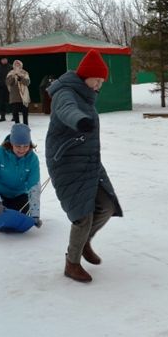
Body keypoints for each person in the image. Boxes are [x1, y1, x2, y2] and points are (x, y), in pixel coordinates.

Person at [46, 49, 122, 283]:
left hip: (88, 159)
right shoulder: (65, 92)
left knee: (107, 205)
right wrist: (80, 121)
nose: (99, 85)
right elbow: (66, 110)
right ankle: (72, 262)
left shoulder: (86, 94)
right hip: (66, 160)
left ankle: (84, 241)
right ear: (85, 76)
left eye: (102, 81)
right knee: (82, 214)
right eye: (96, 80)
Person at [0, 123, 41, 227]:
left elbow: (34, 187)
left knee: (19, 217)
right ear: (11, 143)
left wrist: (35, 215)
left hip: (19, 194)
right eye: (18, 146)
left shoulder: (33, 159)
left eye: (26, 146)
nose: (22, 150)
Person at [6, 59, 31, 125]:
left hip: (24, 95)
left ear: (21, 65)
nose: (17, 66)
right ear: (13, 65)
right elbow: (8, 82)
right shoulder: (10, 73)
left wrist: (20, 77)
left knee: (25, 112)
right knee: (15, 112)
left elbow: (27, 83)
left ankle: (25, 125)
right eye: (16, 64)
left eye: (18, 64)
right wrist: (14, 76)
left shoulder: (25, 73)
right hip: (14, 96)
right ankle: (17, 126)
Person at [0, 57, 12, 122]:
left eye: (5, 59)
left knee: (11, 102)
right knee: (1, 102)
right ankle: (2, 117)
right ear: (1, 60)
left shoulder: (11, 67)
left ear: (7, 60)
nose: (4, 60)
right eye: (3, 59)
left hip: (10, 88)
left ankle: (14, 116)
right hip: (0, 88)